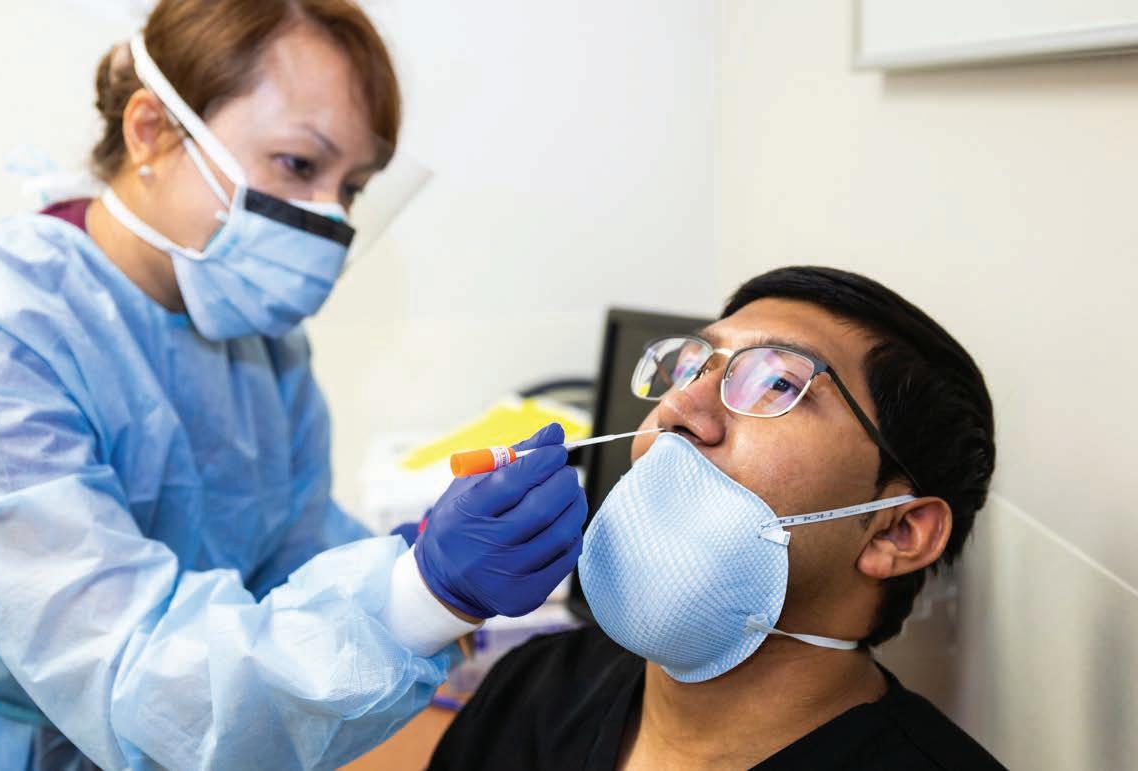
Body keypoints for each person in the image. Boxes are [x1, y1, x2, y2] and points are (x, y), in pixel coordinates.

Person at [0, 1, 586, 769]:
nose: (331, 219)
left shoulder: (258, 340)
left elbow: (287, 557)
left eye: (353, 187)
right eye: (299, 165)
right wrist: (419, 595)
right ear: (151, 131)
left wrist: (404, 559)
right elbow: (134, 679)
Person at [430, 266, 1005, 770]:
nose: (677, 407)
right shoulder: (536, 689)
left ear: (897, 532)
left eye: (777, 383)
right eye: (690, 370)